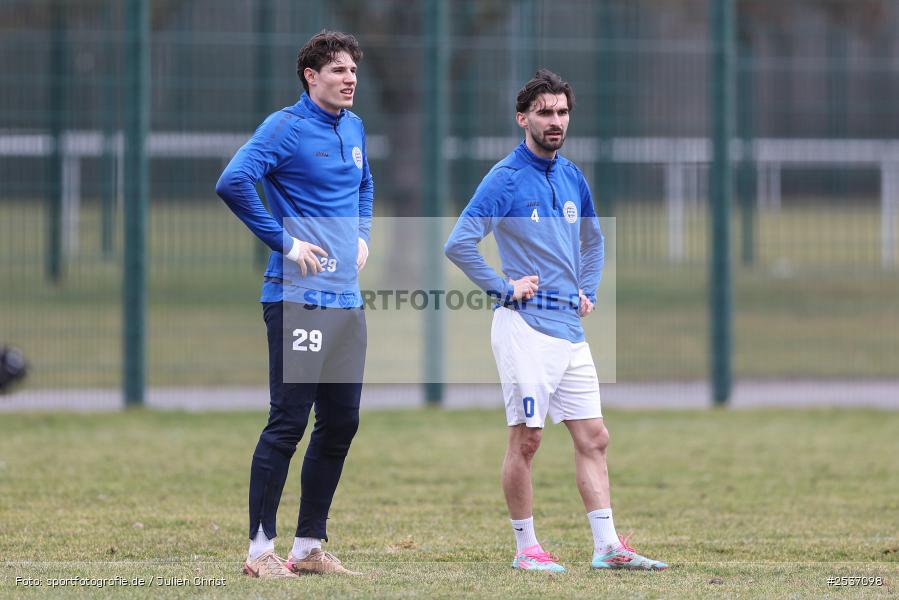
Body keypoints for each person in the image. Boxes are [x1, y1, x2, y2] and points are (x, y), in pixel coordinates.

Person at [444, 69, 667, 572]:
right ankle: (526, 549)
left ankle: (607, 547)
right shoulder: (504, 178)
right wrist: (504, 287)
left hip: (570, 329)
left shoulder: (571, 176)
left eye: (562, 112)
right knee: (528, 439)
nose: (555, 121)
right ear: (523, 117)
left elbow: (593, 240)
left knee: (594, 437)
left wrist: (587, 289)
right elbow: (458, 242)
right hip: (525, 330)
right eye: (544, 112)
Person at [216, 30, 373, 579]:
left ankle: (308, 548)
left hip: (347, 303)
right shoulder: (284, 127)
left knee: (342, 422)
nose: (349, 78)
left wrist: (363, 236)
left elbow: (364, 184)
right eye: (337, 70)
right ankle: (260, 552)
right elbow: (233, 182)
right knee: (288, 423)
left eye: (352, 69)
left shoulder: (353, 127)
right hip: (297, 301)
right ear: (311, 77)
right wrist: (284, 241)